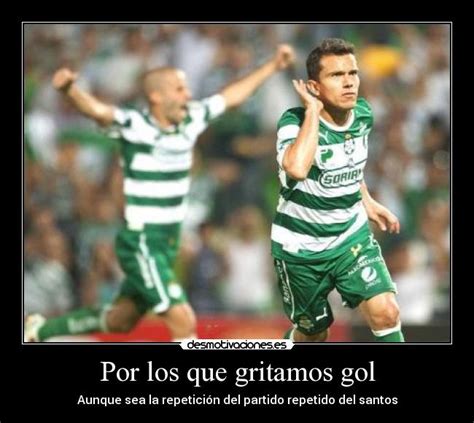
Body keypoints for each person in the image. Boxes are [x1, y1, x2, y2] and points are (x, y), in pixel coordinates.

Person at [25, 43, 296, 342]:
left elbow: (230, 97)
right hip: (142, 241)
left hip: (167, 242)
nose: (188, 95)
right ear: (156, 96)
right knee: (182, 318)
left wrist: (272, 65)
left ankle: (39, 330)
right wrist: (69, 91)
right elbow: (99, 111)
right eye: (179, 89)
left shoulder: (192, 118)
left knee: (120, 320)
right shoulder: (135, 124)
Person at [271, 38, 405, 342]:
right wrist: (313, 113)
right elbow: (297, 168)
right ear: (314, 86)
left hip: (349, 238)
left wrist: (367, 201)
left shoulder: (363, 115)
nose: (349, 83)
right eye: (336, 75)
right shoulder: (293, 121)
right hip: (300, 248)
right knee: (314, 334)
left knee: (386, 311)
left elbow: (350, 165)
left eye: (352, 73)